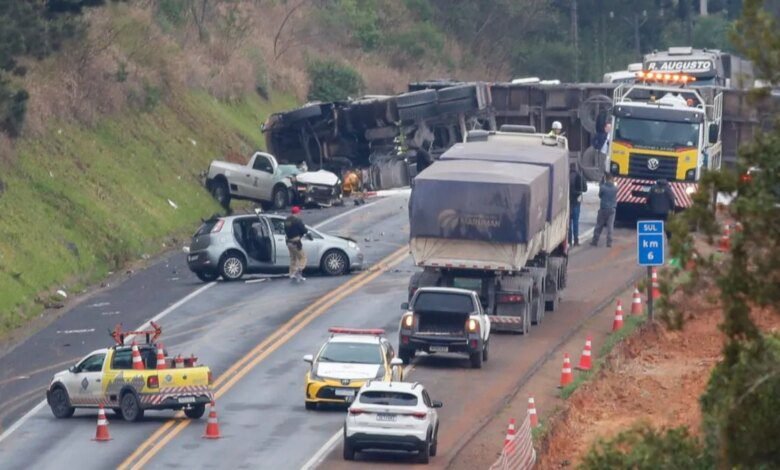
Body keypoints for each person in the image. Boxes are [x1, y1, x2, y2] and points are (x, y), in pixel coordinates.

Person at [591, 173, 618, 247]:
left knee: (599, 225)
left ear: (606, 178)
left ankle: (595, 241)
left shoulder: (603, 187)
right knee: (610, 227)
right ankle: (609, 242)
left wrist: (601, 183)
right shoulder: (615, 188)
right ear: (612, 179)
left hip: (603, 209)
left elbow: (600, 195)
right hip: (612, 210)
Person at [284, 206, 308, 282]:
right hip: (296, 242)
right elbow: (304, 230)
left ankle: (292, 274)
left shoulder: (287, 220)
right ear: (297, 212)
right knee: (303, 257)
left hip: (288, 242)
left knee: (293, 258)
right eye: (299, 212)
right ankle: (299, 271)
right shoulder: (297, 220)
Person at [569, 162, 587, 246]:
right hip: (576, 202)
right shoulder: (579, 176)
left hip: (568, 202)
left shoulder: (566, 176)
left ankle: (568, 240)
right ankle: (576, 240)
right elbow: (585, 189)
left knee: (568, 223)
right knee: (575, 222)